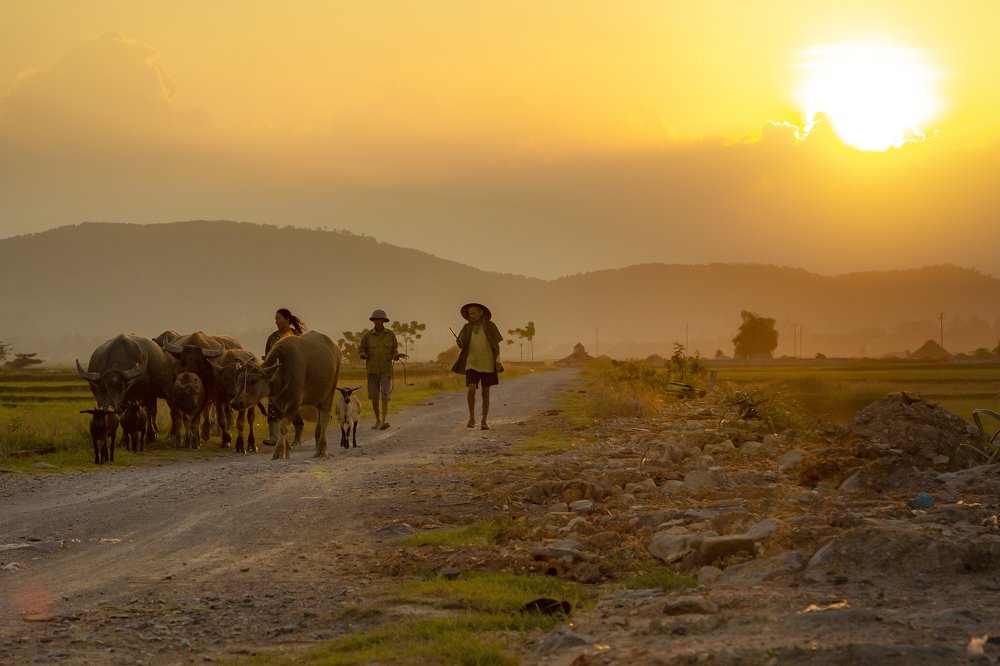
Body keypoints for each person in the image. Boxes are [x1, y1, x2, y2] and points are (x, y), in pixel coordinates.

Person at [451, 302, 503, 430]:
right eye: (469, 314)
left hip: (488, 363)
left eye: (474, 313)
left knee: (485, 392)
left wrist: (498, 359)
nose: (471, 316)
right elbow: (462, 344)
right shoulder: (466, 327)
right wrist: (459, 343)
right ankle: (472, 418)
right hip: (471, 363)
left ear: (481, 313)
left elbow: (497, 345)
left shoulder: (490, 326)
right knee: (471, 389)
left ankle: (484, 421)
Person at [262, 308, 305, 446]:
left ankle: (297, 438)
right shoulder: (272, 338)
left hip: (293, 376)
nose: (277, 322)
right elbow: (268, 356)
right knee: (273, 405)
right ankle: (273, 436)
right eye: (275, 319)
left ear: (287, 319)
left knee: (294, 405)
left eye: (279, 318)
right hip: (276, 376)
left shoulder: (297, 336)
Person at [358, 309, 401, 430]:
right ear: (373, 321)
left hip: (386, 370)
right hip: (372, 370)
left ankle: (384, 420)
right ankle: (377, 420)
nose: (378, 322)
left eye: (380, 319)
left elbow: (395, 349)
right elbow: (361, 350)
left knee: (385, 395)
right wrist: (363, 355)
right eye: (375, 319)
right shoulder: (367, 336)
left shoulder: (390, 335)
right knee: (374, 397)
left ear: (384, 321)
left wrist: (396, 356)